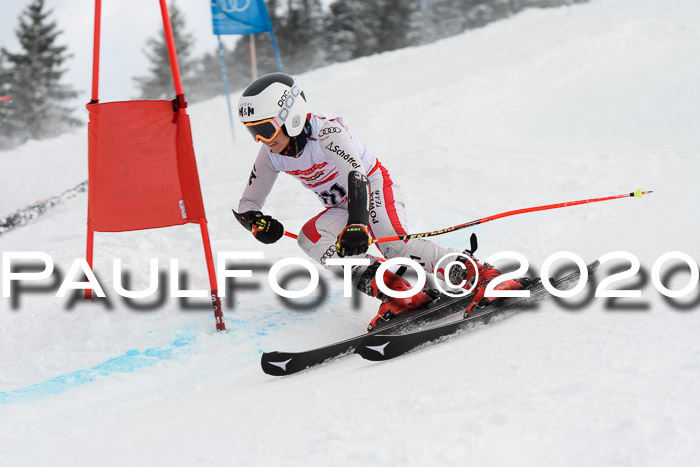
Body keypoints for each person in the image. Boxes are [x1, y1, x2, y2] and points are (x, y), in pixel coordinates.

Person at [235, 72, 529, 330]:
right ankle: (400, 291)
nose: (261, 139)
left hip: (373, 187)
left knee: (393, 245)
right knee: (311, 238)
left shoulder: (328, 133)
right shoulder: (272, 154)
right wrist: (257, 223)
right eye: (253, 132)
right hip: (342, 207)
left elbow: (356, 176)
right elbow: (248, 202)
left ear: (292, 116)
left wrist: (358, 224)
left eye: (265, 129)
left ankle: (484, 276)